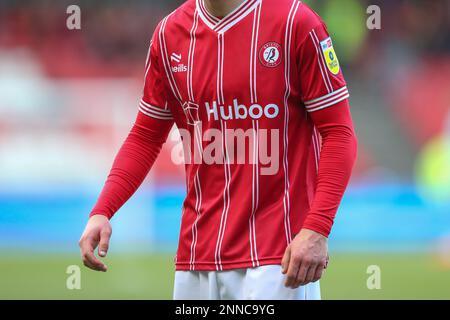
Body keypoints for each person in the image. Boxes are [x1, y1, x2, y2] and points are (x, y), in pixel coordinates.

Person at [79, 0, 357, 300]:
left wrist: (316, 228)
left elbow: (339, 133)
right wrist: (103, 210)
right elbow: (146, 136)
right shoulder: (169, 34)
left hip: (278, 257)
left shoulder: (295, 23)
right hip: (196, 255)